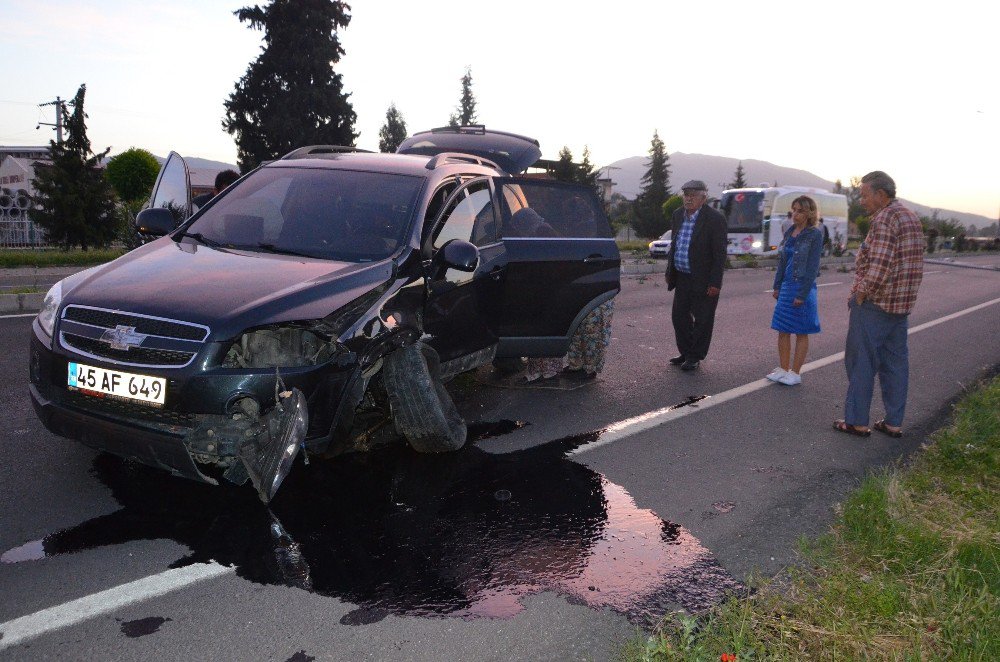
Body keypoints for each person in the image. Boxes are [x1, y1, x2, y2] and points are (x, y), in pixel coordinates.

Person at [834, 171, 924, 438]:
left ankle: (857, 421)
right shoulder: (910, 216)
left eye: (864, 195)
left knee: (861, 362)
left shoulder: (885, 218)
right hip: (901, 306)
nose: (861, 200)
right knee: (895, 364)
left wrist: (860, 294)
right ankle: (894, 421)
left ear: (881, 195)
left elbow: (880, 265)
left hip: (876, 304)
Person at [665, 179, 728, 371]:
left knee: (703, 318)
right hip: (682, 276)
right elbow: (675, 244)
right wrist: (670, 270)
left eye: (693, 196)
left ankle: (695, 356)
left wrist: (715, 282)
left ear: (703, 198)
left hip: (704, 278)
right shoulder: (678, 215)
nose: (688, 199)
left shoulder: (715, 219)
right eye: (686, 195)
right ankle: (685, 351)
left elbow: (719, 254)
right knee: (679, 317)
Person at [767, 196, 823, 386]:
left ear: (809, 213)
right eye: (794, 210)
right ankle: (783, 368)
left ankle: (795, 372)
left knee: (801, 331)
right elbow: (782, 262)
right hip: (786, 286)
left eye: (800, 211)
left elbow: (813, 266)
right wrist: (777, 285)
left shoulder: (814, 235)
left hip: (802, 287)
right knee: (782, 329)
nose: (795, 214)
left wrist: (802, 294)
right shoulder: (790, 232)